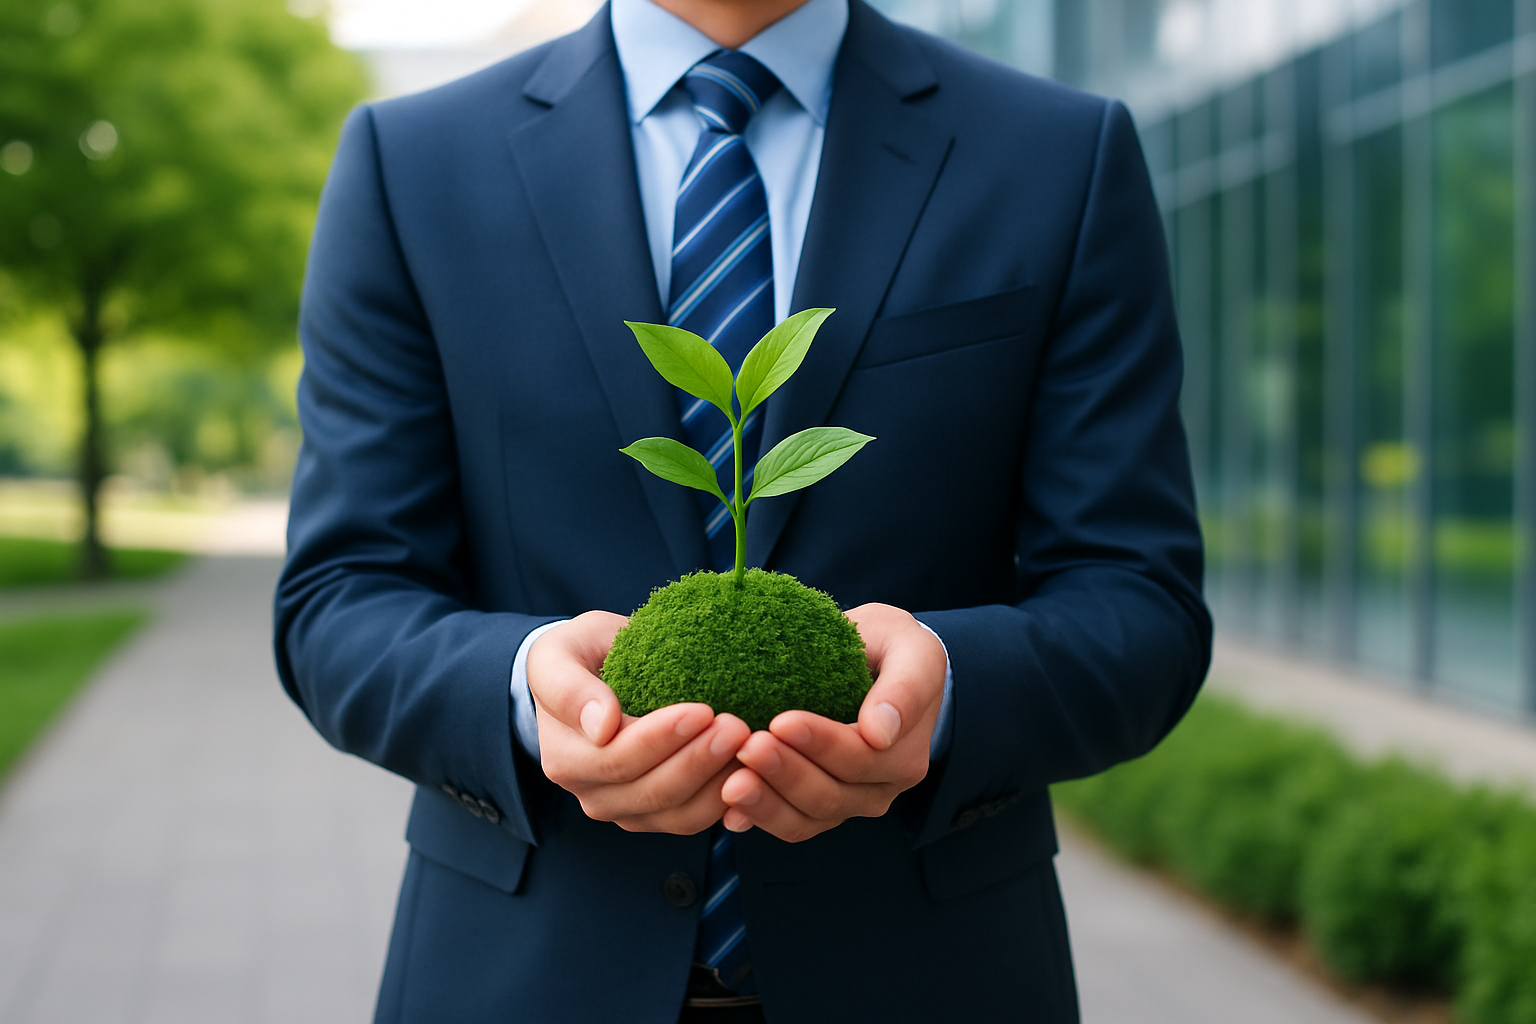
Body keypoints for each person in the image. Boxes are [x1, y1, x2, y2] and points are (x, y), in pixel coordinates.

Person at [274, 0, 1211, 1019]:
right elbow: (339, 599)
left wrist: (946, 693)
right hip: (520, 973)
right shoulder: (412, 166)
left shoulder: (1056, 156)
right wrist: (519, 693)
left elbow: (1140, 599)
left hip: (931, 976)